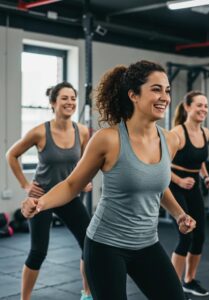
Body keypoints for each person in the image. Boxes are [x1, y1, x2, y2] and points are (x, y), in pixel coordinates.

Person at [20, 60, 197, 300]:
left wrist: (179, 214)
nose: (164, 97)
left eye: (167, 90)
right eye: (156, 89)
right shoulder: (108, 139)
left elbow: (156, 184)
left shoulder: (170, 140)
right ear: (133, 95)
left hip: (147, 243)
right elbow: (72, 185)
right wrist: (39, 203)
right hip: (106, 246)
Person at [6, 82, 93, 300]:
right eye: (64, 98)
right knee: (38, 251)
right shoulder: (39, 132)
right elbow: (11, 155)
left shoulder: (82, 131)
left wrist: (84, 181)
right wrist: (25, 185)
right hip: (41, 198)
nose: (70, 102)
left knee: (90, 244)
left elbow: (84, 163)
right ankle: (24, 298)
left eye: (73, 98)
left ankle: (87, 293)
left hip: (69, 196)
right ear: (53, 103)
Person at [170, 91, 209, 297]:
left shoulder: (205, 133)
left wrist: (206, 177)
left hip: (194, 187)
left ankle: (188, 281)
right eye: (199, 105)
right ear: (187, 107)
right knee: (185, 236)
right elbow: (160, 165)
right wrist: (179, 180)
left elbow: (200, 160)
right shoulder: (177, 133)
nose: (203, 109)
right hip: (174, 186)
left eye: (206, 106)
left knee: (200, 237)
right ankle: (170, 286)